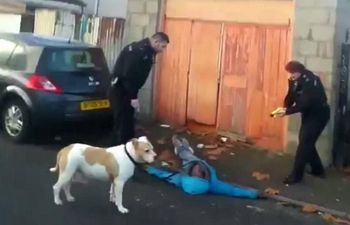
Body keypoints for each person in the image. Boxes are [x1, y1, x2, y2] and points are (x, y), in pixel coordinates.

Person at [145, 135, 261, 199]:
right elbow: (234, 189)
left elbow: (161, 173)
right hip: (192, 163)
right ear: (206, 178)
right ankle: (182, 149)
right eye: (202, 174)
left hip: (185, 167)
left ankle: (181, 150)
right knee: (189, 156)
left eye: (194, 172)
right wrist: (256, 194)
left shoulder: (182, 177)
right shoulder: (214, 183)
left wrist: (149, 168)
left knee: (184, 159)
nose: (197, 169)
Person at [272, 61, 330, 185]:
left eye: (292, 73)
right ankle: (318, 170)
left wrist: (287, 112)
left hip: (319, 114)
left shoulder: (310, 81)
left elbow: (304, 104)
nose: (291, 76)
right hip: (309, 114)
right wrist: (284, 108)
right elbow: (291, 96)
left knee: (304, 143)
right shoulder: (295, 80)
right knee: (306, 141)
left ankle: (296, 176)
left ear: (299, 71)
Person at [109, 32, 169, 146]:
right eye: (163, 46)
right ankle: (119, 150)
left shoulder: (146, 50)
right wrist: (133, 97)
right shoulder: (139, 51)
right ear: (156, 42)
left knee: (128, 121)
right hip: (121, 90)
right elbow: (128, 76)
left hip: (126, 90)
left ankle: (128, 147)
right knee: (122, 123)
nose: (163, 50)